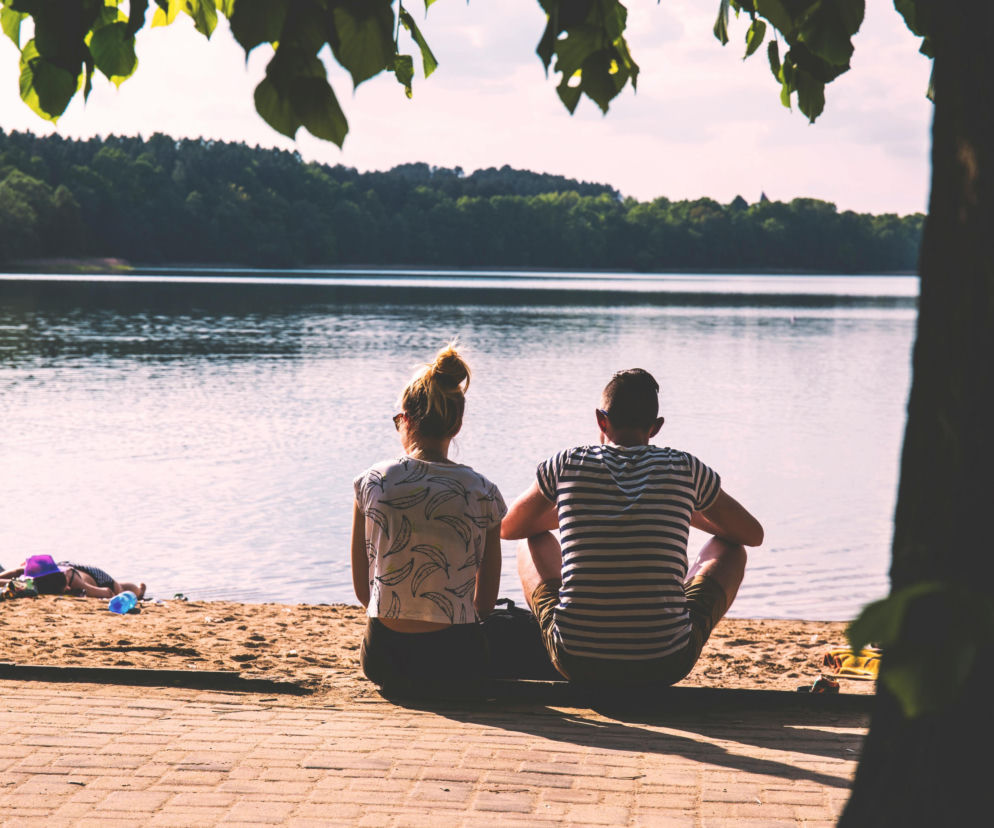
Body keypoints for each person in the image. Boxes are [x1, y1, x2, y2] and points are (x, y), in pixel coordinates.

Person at [501, 368, 763, 688]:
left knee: (530, 540)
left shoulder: (567, 463)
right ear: (656, 427)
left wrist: (578, 505)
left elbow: (509, 528)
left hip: (575, 659)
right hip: (666, 661)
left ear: (601, 421)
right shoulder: (685, 468)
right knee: (731, 548)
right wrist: (683, 506)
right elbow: (752, 534)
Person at [351, 343, 506, 696]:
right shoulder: (483, 491)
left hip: (384, 658)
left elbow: (364, 592)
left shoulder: (371, 482)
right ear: (457, 425)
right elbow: (485, 604)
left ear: (405, 420)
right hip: (456, 660)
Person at [0, 555, 146, 599]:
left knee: (120, 588)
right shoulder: (36, 576)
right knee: (18, 573)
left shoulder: (74, 582)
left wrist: (82, 592)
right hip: (55, 568)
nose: (68, 589)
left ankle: (139, 590)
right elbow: (14, 574)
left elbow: (108, 592)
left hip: (93, 576)